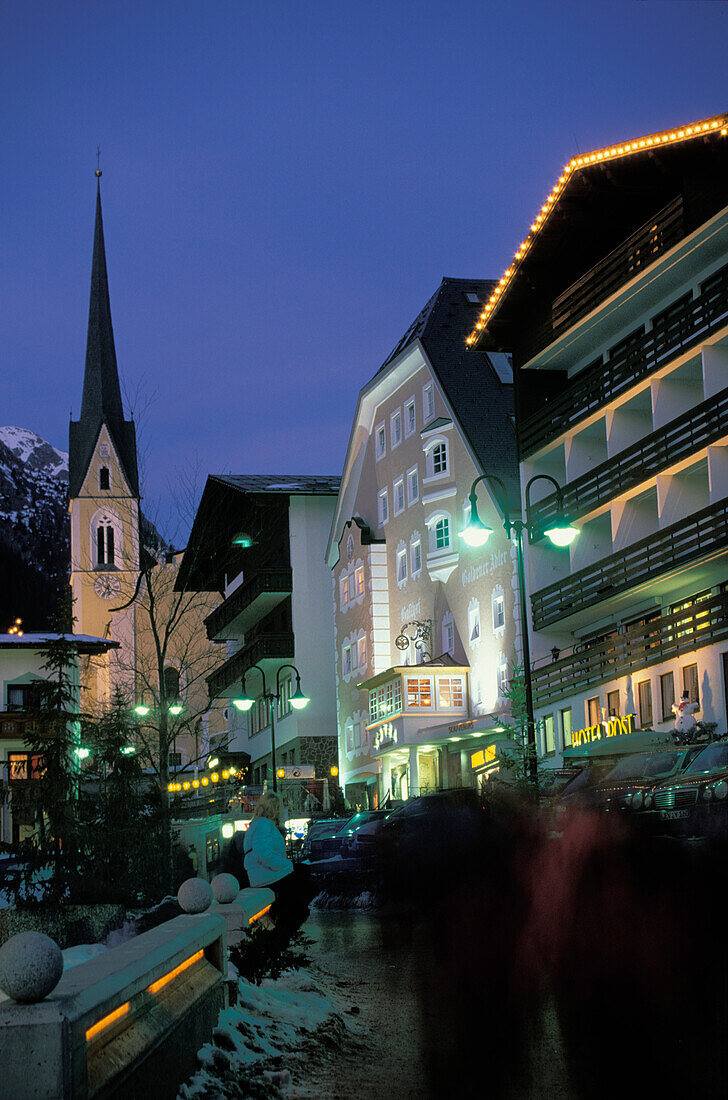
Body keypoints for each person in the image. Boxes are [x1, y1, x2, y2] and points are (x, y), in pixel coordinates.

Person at [244, 791, 315, 948]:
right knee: (308, 887)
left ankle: (281, 924)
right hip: (268, 876)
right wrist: (287, 866)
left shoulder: (258, 824)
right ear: (275, 809)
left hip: (263, 875)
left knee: (304, 874)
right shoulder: (263, 824)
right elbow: (263, 854)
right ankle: (281, 934)